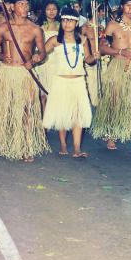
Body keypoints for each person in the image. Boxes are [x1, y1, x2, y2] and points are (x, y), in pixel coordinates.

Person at [0, 0, 50, 162]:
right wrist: (1, 57)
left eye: (27, 4)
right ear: (12, 6)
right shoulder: (2, 28)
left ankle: (26, 146)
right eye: (21, 4)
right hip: (7, 72)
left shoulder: (35, 29)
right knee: (8, 109)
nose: (25, 7)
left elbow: (43, 52)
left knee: (27, 110)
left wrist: (35, 59)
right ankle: (9, 142)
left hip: (25, 74)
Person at [91, 0, 131, 157]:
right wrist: (119, 51)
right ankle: (111, 134)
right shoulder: (112, 26)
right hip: (117, 65)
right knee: (114, 101)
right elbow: (102, 48)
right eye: (128, 5)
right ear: (122, 6)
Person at [42, 8, 98, 157]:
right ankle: (63, 144)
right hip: (61, 81)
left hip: (78, 82)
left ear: (76, 23)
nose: (67, 24)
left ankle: (77, 148)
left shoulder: (83, 40)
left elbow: (89, 60)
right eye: (65, 20)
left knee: (78, 115)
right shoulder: (55, 40)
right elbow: (41, 54)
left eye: (71, 21)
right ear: (61, 22)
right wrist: (32, 57)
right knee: (63, 114)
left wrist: (96, 56)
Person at [36, 0, 61, 112]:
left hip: (59, 62)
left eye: (54, 9)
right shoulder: (38, 27)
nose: (51, 12)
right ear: (44, 11)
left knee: (58, 93)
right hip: (43, 62)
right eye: (48, 9)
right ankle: (44, 124)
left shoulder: (63, 26)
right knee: (43, 94)